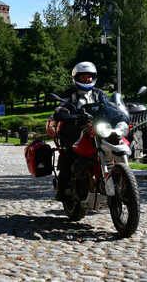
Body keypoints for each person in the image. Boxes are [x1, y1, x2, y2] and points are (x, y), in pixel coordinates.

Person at [53, 61, 106, 201]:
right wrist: (65, 113)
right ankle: (62, 188)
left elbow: (110, 106)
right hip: (73, 130)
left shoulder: (99, 93)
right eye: (83, 77)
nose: (87, 79)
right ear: (77, 78)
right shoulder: (70, 93)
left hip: (95, 128)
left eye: (89, 76)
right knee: (69, 153)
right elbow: (60, 108)